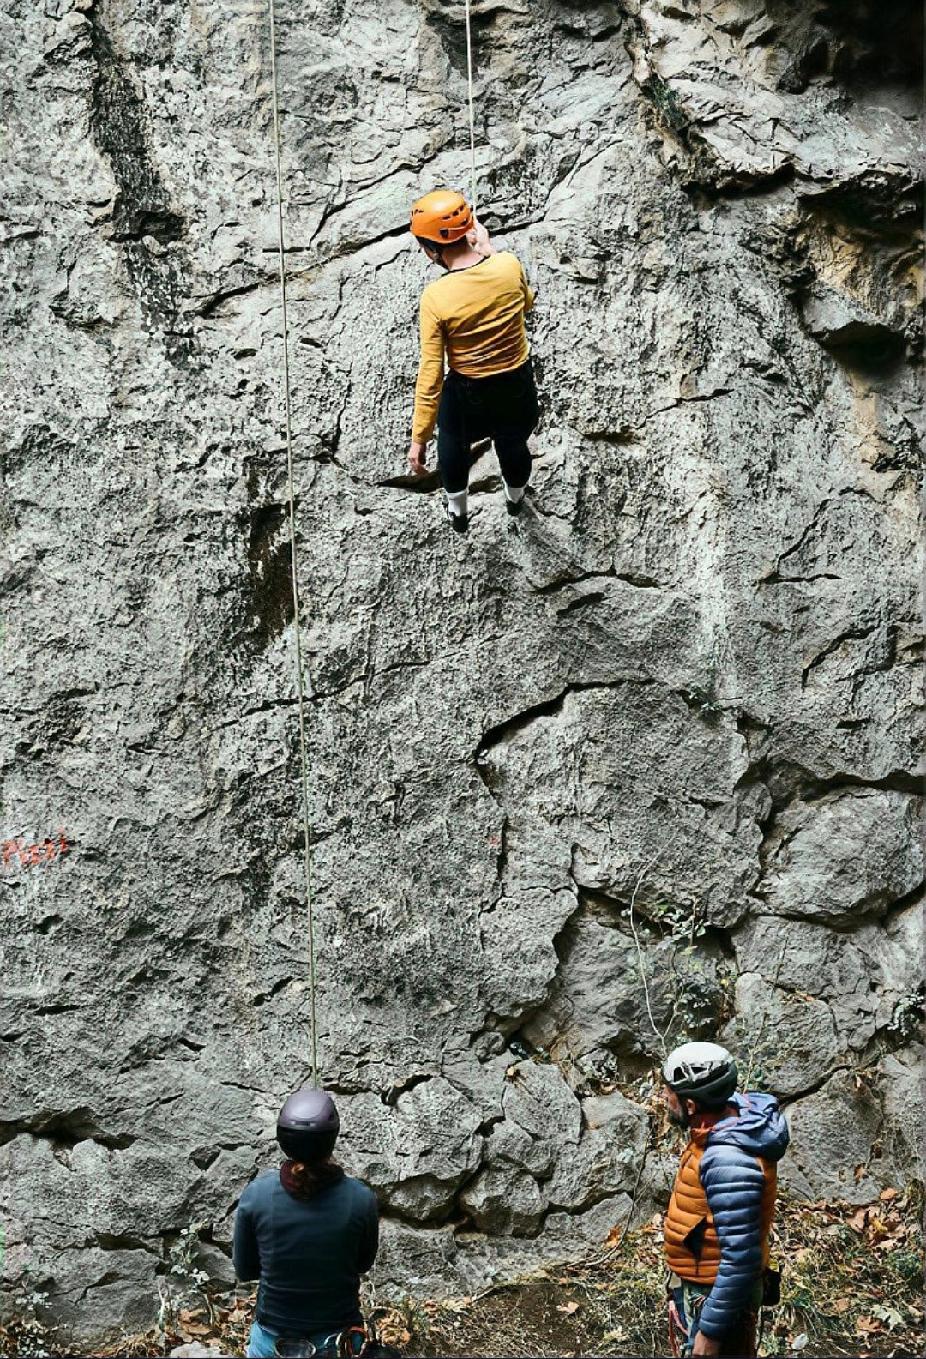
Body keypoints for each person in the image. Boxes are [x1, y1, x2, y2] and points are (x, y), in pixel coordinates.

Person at [407, 188, 540, 533]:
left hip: (469, 393)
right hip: (516, 385)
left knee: (452, 440)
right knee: (513, 444)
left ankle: (458, 511)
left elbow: (432, 372)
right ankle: (515, 498)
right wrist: (490, 252)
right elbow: (526, 303)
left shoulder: (436, 297)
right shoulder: (508, 265)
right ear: (470, 230)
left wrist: (419, 437)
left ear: (432, 248)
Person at [661, 1041, 790, 1358]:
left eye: (668, 1091)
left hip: (715, 1298)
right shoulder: (723, 1122)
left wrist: (710, 1332)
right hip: (704, 1283)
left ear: (691, 1105)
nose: (663, 1097)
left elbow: (741, 1258)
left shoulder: (728, 1161)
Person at [233, 1087, 379, 1358]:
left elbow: (245, 1269)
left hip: (272, 1342)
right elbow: (362, 1263)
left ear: (282, 1139)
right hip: (339, 1343)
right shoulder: (361, 1199)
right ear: (332, 1138)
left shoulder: (256, 1195)